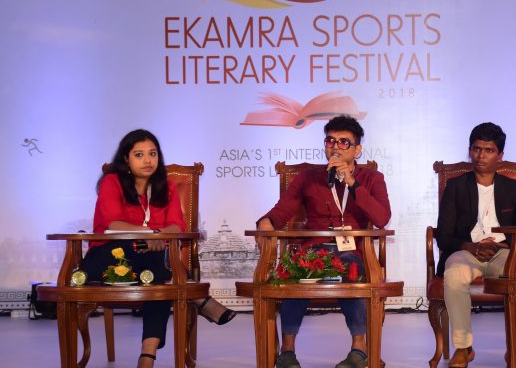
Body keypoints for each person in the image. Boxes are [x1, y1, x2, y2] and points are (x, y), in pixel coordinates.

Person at [80, 129, 237, 368]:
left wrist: (156, 238)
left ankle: (147, 354)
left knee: (159, 277)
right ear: (126, 159)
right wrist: (151, 234)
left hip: (152, 261)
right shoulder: (112, 182)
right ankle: (200, 300)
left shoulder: (166, 186)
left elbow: (177, 225)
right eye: (139, 154)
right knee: (160, 268)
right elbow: (113, 224)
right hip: (108, 257)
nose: (147, 160)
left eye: (152, 154)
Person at [256, 115, 391, 368]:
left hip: (354, 252)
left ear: (357, 149)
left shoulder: (373, 178)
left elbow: (382, 218)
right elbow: (282, 211)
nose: (336, 147)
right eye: (331, 141)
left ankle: (359, 351)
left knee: (349, 268)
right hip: (313, 251)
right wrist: (265, 222)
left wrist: (353, 183)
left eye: (344, 142)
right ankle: (287, 352)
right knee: (295, 271)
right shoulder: (309, 177)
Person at [436, 122, 516, 368]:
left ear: (500, 155)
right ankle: (463, 347)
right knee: (455, 273)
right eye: (476, 149)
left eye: (489, 150)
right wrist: (471, 247)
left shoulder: (515, 189)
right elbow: (444, 236)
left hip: (503, 253)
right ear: (470, 150)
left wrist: (501, 248)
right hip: (466, 251)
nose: (481, 155)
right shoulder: (456, 187)